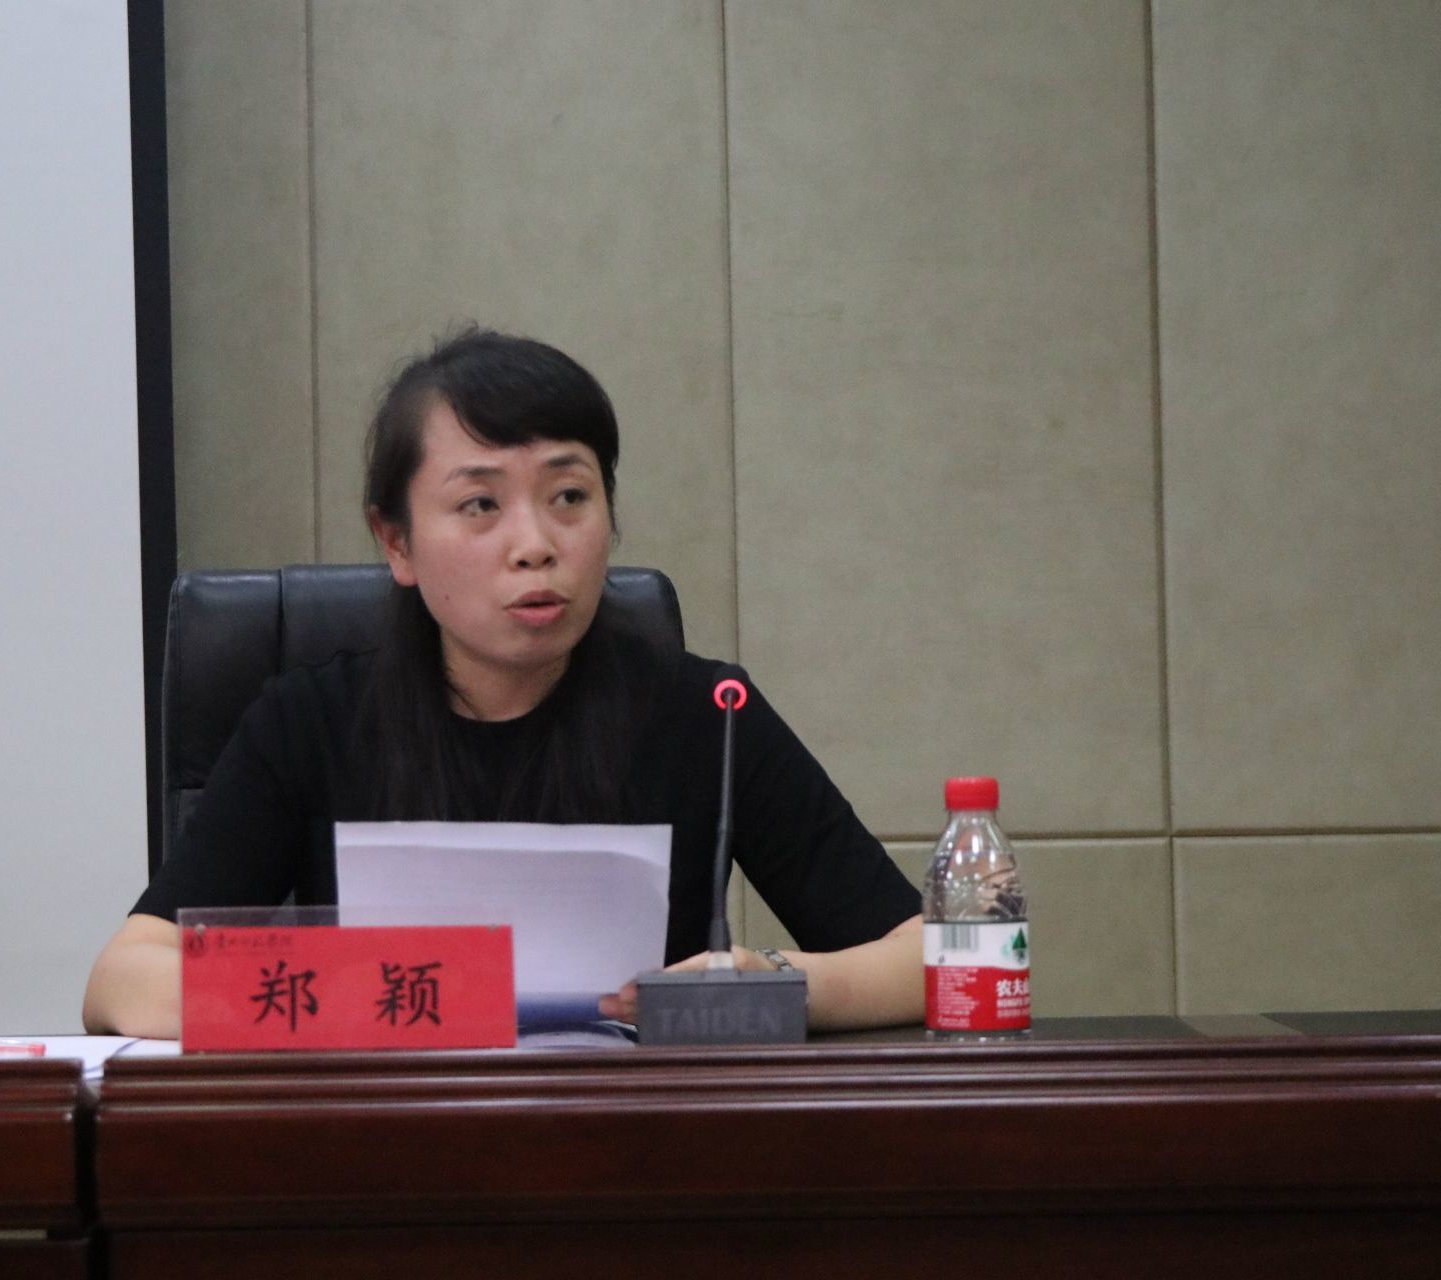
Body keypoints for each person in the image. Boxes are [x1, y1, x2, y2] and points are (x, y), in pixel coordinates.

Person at [82, 328, 923, 1039]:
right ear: (397, 542)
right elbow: (123, 981)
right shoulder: (310, 723)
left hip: (637, 1142)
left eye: (569, 495)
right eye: (481, 506)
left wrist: (771, 983)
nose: (535, 545)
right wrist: (366, 993)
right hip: (383, 1142)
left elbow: (936, 956)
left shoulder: (708, 717)